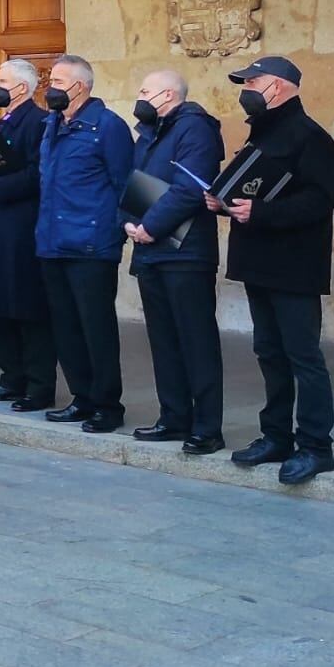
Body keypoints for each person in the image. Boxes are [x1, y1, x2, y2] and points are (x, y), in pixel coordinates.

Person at [212, 56, 334, 485]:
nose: (246, 89)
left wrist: (261, 212)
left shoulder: (311, 137)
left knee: (303, 356)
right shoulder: (261, 134)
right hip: (258, 262)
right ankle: (276, 436)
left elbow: (318, 201)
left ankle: (316, 446)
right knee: (269, 352)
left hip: (294, 265)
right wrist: (221, 200)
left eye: (254, 81)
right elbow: (249, 187)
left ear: (281, 86)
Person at [126, 70, 227, 454]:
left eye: (145, 90)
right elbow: (136, 181)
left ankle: (207, 427)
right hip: (152, 250)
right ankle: (173, 416)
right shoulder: (152, 131)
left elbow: (190, 188)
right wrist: (131, 223)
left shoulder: (195, 129)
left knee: (195, 340)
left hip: (186, 254)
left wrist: (149, 225)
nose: (140, 96)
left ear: (167, 95)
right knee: (164, 340)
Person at [36, 55, 135, 434]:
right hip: (53, 242)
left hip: (91, 245)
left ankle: (108, 405)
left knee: (96, 328)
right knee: (66, 327)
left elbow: (124, 182)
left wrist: (113, 232)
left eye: (59, 80)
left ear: (80, 86)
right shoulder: (53, 125)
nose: (52, 86)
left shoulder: (107, 127)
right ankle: (82, 397)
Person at [0, 59, 56, 412]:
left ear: (21, 87)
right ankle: (11, 377)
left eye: (2, 80)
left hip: (22, 225)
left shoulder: (38, 122)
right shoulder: (1, 120)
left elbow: (39, 173)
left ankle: (38, 385)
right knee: (0, 304)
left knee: (26, 307)